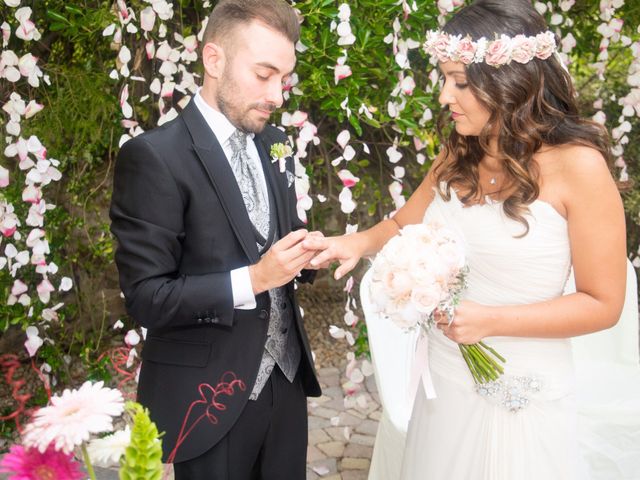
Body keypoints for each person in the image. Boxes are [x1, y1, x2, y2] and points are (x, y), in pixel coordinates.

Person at [303, 0, 627, 478]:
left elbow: (604, 303)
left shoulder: (579, 167)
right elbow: (399, 225)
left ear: (508, 83)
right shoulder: (457, 155)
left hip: (524, 397)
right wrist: (349, 245)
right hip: (445, 382)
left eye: (459, 81)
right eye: (444, 79)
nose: (443, 97)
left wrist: (490, 321)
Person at [109, 1, 323, 478]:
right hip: (208, 400)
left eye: (284, 79)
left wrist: (307, 256)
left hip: (286, 387)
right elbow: (147, 298)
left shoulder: (273, 143)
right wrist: (255, 278)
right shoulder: (154, 158)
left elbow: (268, 240)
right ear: (213, 60)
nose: (278, 96)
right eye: (264, 74)